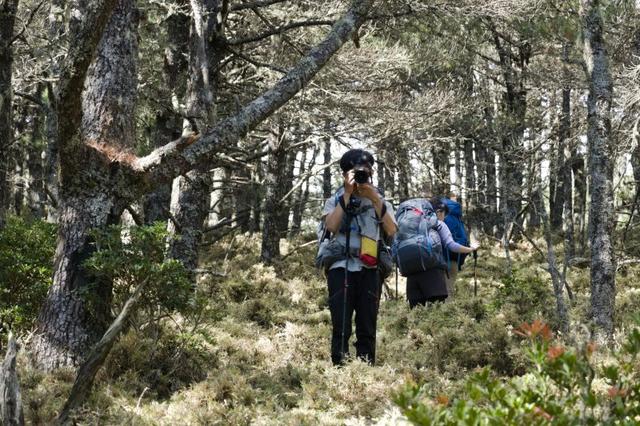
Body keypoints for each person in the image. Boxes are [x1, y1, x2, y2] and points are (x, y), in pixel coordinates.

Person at [321, 149, 397, 366]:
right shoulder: (335, 199)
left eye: (366, 172)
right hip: (340, 266)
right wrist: (346, 195)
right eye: (356, 173)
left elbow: (391, 231)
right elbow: (331, 226)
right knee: (341, 325)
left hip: (370, 268)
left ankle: (365, 370)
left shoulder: (379, 200)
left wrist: (374, 198)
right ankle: (339, 370)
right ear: (346, 174)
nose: (362, 176)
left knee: (367, 325)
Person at [405, 197, 479, 308]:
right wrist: (470, 249)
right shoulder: (439, 224)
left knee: (417, 309)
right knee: (442, 302)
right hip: (438, 267)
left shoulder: (414, 223)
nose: (444, 218)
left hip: (413, 268)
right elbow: (452, 245)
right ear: (439, 212)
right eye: (444, 214)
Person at [442, 193, 470, 299]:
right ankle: (449, 313)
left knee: (438, 291)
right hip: (454, 257)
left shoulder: (440, 216)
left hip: (439, 257)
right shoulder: (457, 218)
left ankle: (437, 313)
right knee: (449, 289)